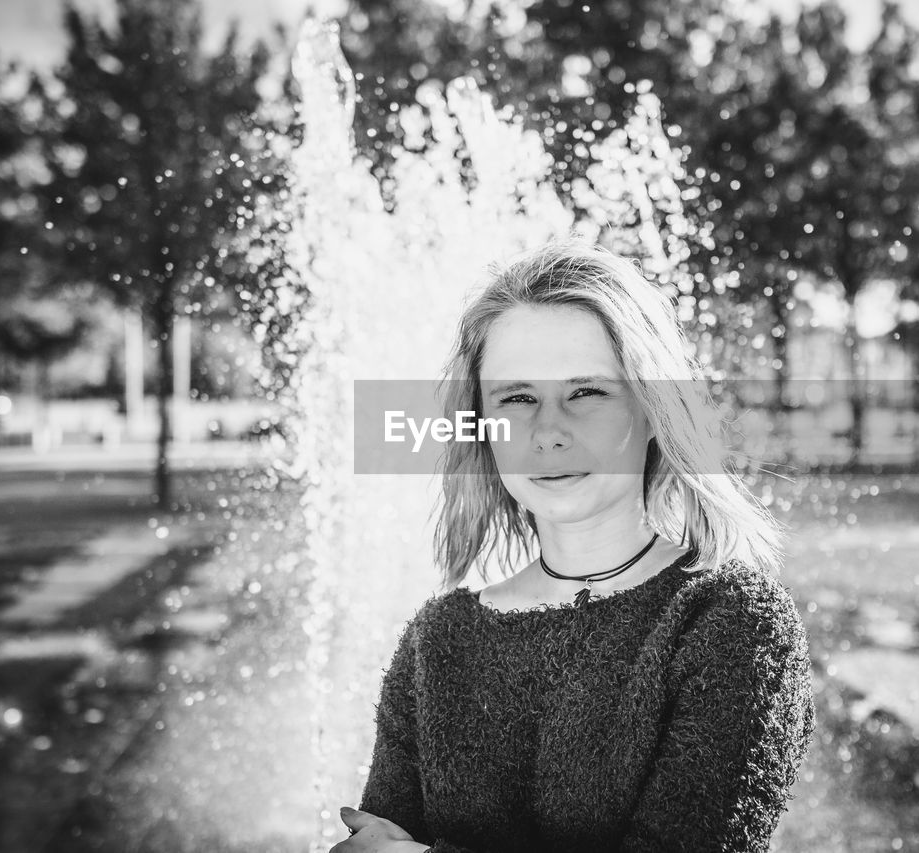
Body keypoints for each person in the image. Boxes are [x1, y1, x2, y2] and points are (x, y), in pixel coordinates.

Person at [332, 240, 815, 852]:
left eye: (587, 392)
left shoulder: (731, 620)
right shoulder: (438, 639)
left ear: (651, 409)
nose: (549, 432)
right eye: (517, 397)